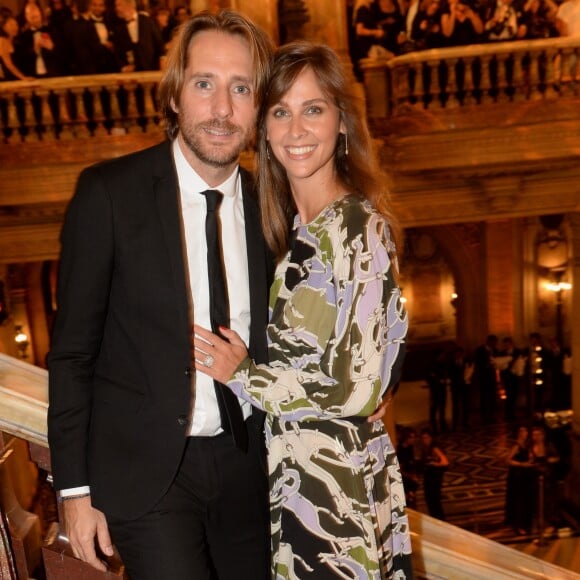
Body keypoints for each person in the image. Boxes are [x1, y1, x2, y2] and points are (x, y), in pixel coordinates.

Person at [47, 10, 275, 579]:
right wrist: (73, 490)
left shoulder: (276, 207)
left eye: (240, 88)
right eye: (205, 84)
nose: (222, 109)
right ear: (175, 96)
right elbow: (73, 354)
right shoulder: (108, 196)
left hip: (255, 468)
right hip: (150, 479)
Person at [193, 40, 413, 579]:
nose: (296, 130)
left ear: (341, 121)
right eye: (280, 112)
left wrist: (243, 377)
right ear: (262, 129)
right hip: (294, 482)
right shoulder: (293, 233)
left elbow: (358, 389)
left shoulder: (359, 228)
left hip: (339, 495)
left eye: (313, 109)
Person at [504, 425, 533, 534]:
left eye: (525, 431)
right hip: (517, 475)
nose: (523, 433)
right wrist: (521, 464)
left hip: (525, 475)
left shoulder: (528, 444)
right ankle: (518, 524)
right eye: (521, 431)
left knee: (525, 500)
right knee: (519, 500)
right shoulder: (516, 445)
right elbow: (507, 460)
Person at [419, 428, 449, 520]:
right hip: (429, 478)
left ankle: (440, 520)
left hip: (434, 479)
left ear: (431, 438)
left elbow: (445, 462)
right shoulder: (425, 448)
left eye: (426, 438)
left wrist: (434, 464)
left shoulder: (434, 448)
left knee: (434, 501)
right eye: (423, 438)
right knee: (430, 501)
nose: (425, 440)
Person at [397, 426, 420, 509]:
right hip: (405, 480)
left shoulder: (410, 448)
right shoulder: (401, 450)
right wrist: (411, 477)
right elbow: (400, 470)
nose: (413, 440)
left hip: (411, 478)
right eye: (411, 437)